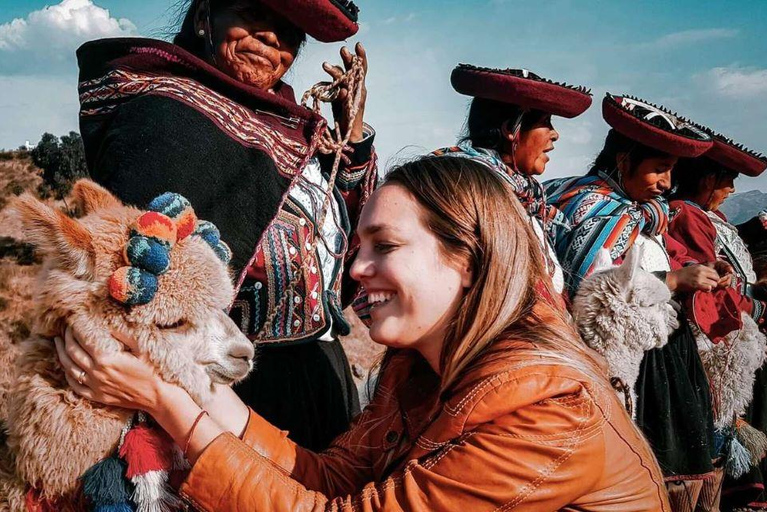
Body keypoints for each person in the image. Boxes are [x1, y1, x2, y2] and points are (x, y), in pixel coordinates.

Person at [56, 156, 671, 511]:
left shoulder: (546, 411)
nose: (355, 269)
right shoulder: (418, 371)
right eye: (356, 247)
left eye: (386, 246)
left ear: (468, 261)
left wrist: (162, 401)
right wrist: (196, 389)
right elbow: (331, 477)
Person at [76, 0, 376, 451]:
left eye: (290, 32)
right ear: (205, 17)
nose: (272, 37)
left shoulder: (295, 133)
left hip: (320, 370)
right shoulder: (165, 118)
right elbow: (131, 286)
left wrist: (351, 137)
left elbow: (345, 246)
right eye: (253, 13)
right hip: (218, 379)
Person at [546, 94, 724, 511]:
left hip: (658, 353)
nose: (665, 183)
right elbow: (590, 286)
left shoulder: (637, 211)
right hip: (627, 363)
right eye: (658, 169)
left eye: (670, 171)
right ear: (624, 161)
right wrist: (675, 279)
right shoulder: (596, 206)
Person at [667, 131, 767, 511]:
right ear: (707, 179)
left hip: (736, 327)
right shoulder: (687, 214)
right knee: (712, 429)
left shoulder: (713, 218)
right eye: (726, 180)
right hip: (710, 338)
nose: (729, 189)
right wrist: (757, 309)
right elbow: (708, 285)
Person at [432, 64, 592, 295]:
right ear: (511, 129)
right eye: (545, 122)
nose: (555, 134)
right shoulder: (470, 189)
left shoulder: (526, 198)